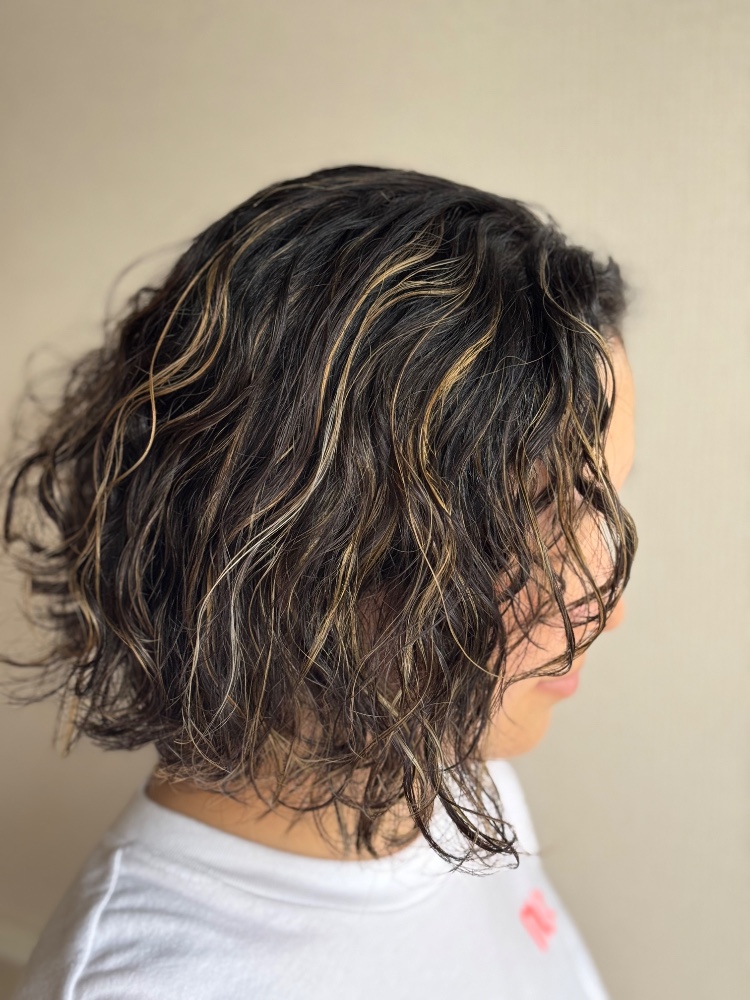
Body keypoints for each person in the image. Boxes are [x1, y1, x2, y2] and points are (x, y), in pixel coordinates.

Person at [4, 165, 637, 999]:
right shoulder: (150, 984)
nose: (607, 611)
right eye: (536, 519)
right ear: (306, 549)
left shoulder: (447, 769)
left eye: (604, 506)